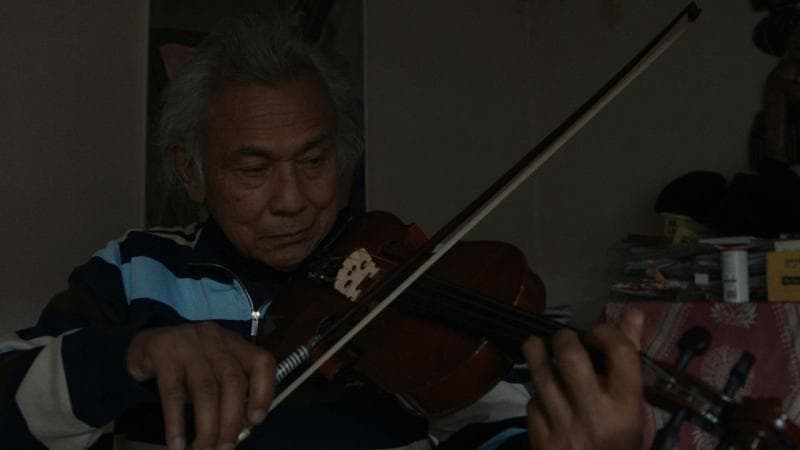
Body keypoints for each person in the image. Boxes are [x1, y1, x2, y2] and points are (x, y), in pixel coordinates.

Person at [0, 12, 644, 450]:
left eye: (315, 161)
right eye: (252, 169)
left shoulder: (415, 280)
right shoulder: (134, 273)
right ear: (189, 172)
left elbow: (494, 427)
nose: (293, 201)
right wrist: (131, 356)